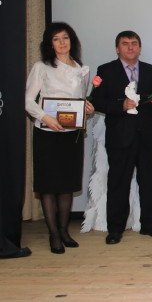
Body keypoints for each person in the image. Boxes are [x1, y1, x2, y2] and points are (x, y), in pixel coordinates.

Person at [92, 30, 152, 245]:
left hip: (146, 135)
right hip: (119, 136)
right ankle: (115, 229)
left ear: (140, 48)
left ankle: (149, 224)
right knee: (118, 182)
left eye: (134, 43)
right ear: (117, 48)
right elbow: (97, 101)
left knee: (148, 182)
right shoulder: (106, 70)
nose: (130, 47)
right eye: (125, 43)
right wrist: (121, 105)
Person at [24, 22, 95, 253]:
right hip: (47, 134)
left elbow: (79, 100)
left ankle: (64, 231)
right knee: (48, 185)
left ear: (72, 41)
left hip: (71, 135)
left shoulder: (81, 68)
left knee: (67, 184)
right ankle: (53, 234)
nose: (62, 43)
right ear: (50, 44)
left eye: (65, 38)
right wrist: (45, 117)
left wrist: (87, 109)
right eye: (56, 39)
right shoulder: (41, 67)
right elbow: (27, 100)